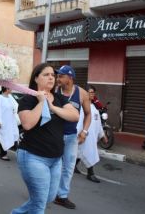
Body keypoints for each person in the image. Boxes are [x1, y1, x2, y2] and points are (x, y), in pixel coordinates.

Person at [11, 63, 79, 214]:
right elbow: (27, 124)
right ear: (36, 78)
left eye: (53, 76)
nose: (51, 78)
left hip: (55, 159)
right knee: (39, 204)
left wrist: (53, 107)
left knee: (49, 197)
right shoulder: (28, 100)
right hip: (33, 157)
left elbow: (75, 116)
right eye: (46, 75)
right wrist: (41, 102)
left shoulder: (60, 99)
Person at [54, 65, 91, 209]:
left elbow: (88, 114)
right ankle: (44, 191)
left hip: (71, 137)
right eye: (58, 76)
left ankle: (61, 196)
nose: (58, 79)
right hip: (54, 135)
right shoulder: (55, 90)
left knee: (68, 167)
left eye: (61, 76)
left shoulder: (81, 93)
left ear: (70, 78)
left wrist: (85, 131)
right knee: (51, 164)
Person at [74, 85, 108, 183]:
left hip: (92, 136)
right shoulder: (81, 107)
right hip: (84, 136)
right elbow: (79, 122)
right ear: (84, 93)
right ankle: (90, 173)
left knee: (81, 152)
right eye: (90, 92)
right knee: (88, 153)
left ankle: (73, 167)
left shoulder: (93, 107)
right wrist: (80, 134)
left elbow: (98, 123)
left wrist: (102, 135)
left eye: (93, 92)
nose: (92, 94)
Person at [0, 86, 19, 161]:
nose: (12, 89)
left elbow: (16, 106)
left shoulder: (10, 97)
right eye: (10, 88)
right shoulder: (0, 98)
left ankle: (0, 149)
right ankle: (2, 153)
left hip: (9, 122)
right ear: (7, 89)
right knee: (2, 136)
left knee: (8, 136)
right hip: (2, 122)